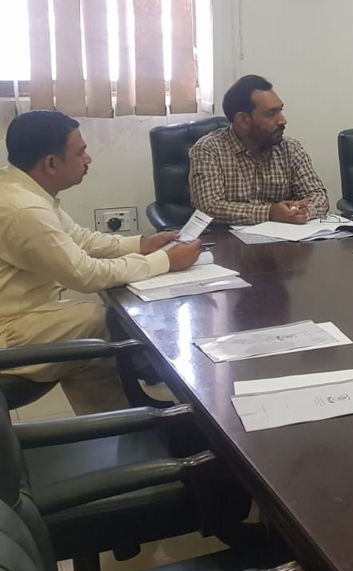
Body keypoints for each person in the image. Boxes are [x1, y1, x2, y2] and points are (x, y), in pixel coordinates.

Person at [0, 110, 202, 413]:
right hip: (8, 336)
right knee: (100, 321)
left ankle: (116, 421)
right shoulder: (24, 210)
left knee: (93, 346)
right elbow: (86, 275)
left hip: (24, 316)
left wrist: (142, 244)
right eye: (80, 152)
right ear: (51, 164)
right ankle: (164, 392)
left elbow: (80, 240)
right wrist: (164, 261)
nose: (88, 159)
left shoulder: (21, 188)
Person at [189, 75, 330, 224]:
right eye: (271, 114)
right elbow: (209, 207)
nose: (282, 120)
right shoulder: (209, 150)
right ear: (243, 120)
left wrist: (302, 211)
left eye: (280, 111)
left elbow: (317, 195)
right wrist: (269, 213)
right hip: (227, 237)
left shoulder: (290, 149)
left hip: (285, 236)